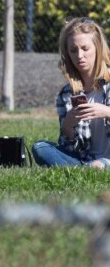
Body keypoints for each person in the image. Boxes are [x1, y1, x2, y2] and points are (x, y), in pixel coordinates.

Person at [32, 18, 110, 168]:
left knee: (98, 165)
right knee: (40, 148)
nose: (79, 55)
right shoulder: (67, 94)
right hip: (84, 159)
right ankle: (87, 169)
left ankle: (93, 168)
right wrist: (67, 126)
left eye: (85, 48)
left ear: (98, 48)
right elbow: (69, 148)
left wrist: (106, 111)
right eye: (73, 50)